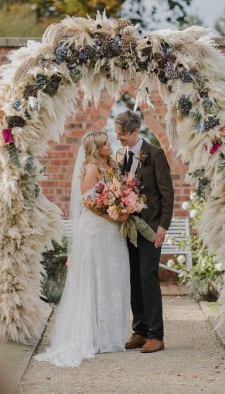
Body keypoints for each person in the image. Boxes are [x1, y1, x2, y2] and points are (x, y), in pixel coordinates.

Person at [34, 130, 131, 367]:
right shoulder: (90, 168)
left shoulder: (112, 165)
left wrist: (122, 207)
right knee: (95, 279)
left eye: (108, 142)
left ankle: (109, 334)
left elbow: (115, 193)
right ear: (96, 149)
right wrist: (114, 215)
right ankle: (93, 334)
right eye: (105, 143)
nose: (110, 145)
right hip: (97, 230)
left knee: (111, 277)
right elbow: (88, 202)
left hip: (112, 231)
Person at [114, 110, 174, 354]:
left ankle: (156, 335)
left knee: (148, 277)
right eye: (117, 134)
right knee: (134, 279)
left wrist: (162, 226)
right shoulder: (121, 154)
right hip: (129, 228)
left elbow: (167, 194)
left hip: (151, 228)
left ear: (135, 131)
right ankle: (139, 331)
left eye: (122, 135)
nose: (118, 138)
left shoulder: (156, 154)